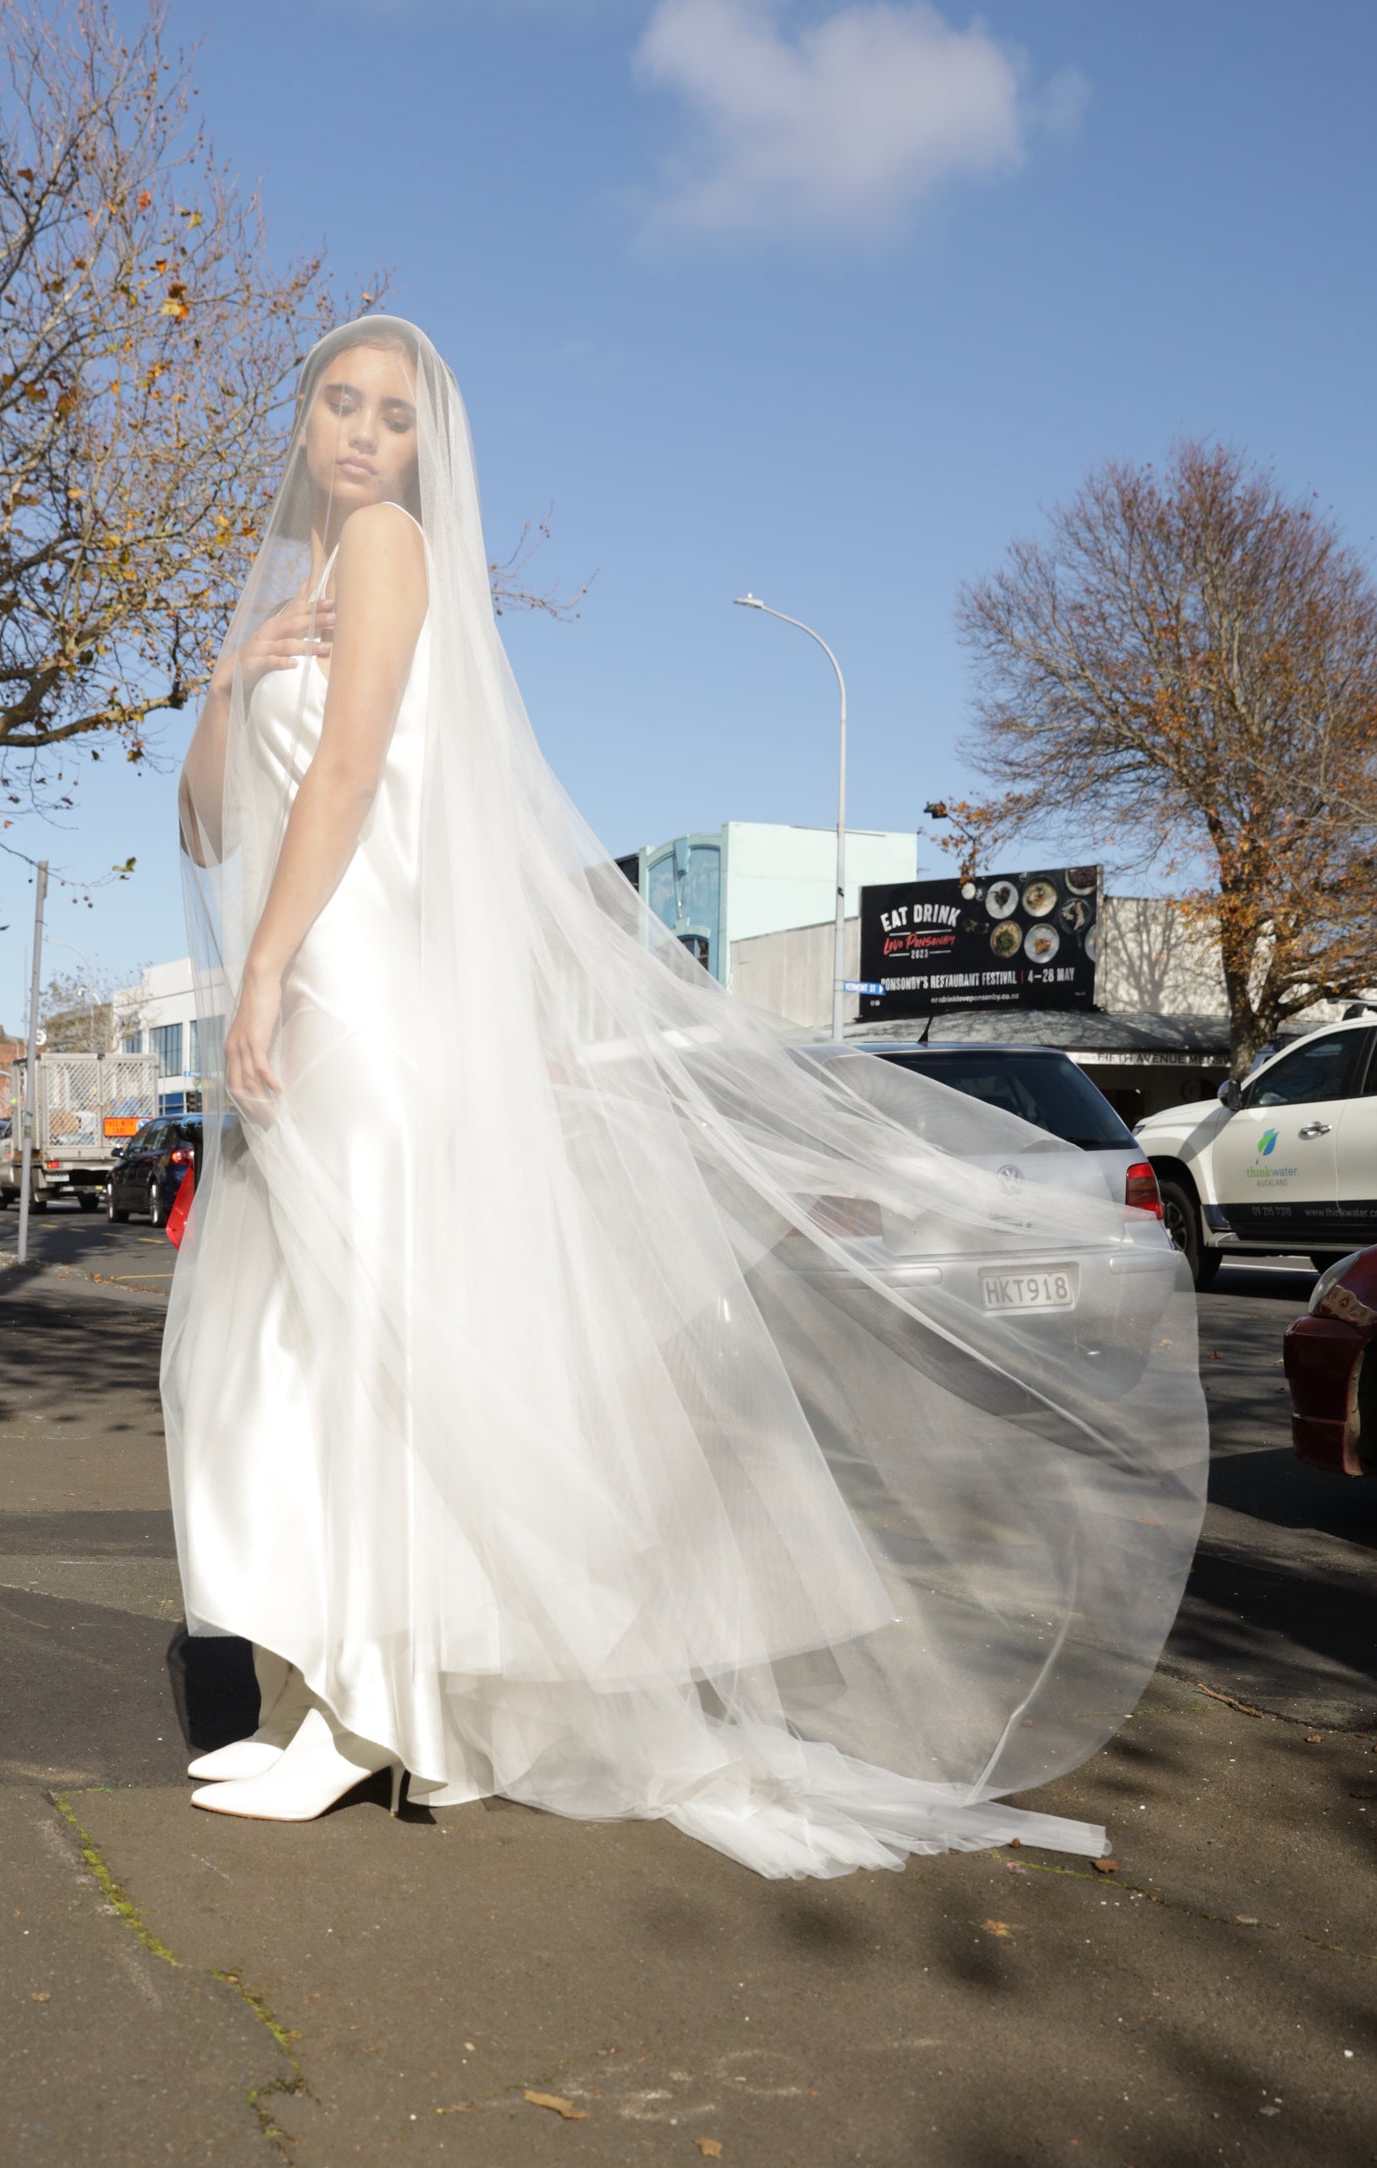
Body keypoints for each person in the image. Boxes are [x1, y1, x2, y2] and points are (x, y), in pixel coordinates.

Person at [162, 317, 1208, 1878]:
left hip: (360, 1002)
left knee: (355, 1347)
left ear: (423, 448)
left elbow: (353, 776)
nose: (366, 434)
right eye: (341, 402)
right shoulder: (298, 596)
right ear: (302, 417)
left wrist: (261, 978)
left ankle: (365, 1717)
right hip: (327, 990)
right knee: (324, 1343)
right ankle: (394, 1708)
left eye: (397, 412)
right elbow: (201, 826)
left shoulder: (386, 547)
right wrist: (227, 679)